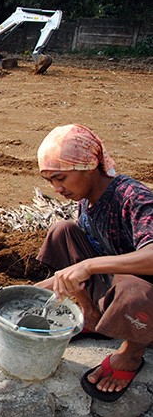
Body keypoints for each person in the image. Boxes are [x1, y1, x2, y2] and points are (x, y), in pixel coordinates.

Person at [35, 124, 153, 403]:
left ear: (88, 165)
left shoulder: (133, 197)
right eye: (50, 180)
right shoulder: (88, 202)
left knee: (131, 287)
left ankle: (132, 353)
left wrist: (90, 267)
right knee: (63, 232)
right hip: (115, 289)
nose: (56, 188)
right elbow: (86, 255)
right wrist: (42, 289)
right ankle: (91, 317)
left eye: (61, 178)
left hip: (145, 305)